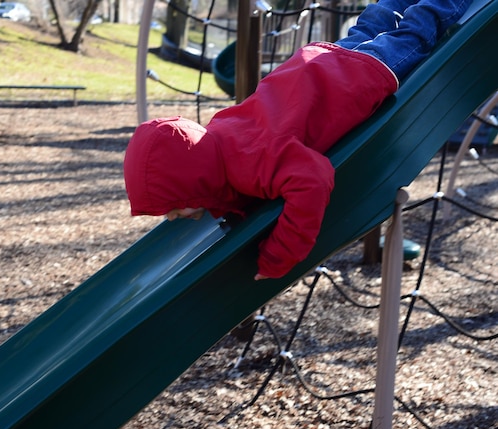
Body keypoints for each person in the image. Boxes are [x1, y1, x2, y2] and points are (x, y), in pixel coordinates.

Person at [123, 0, 473, 280]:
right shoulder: (221, 134)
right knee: (378, 18)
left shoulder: (250, 163)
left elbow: (313, 179)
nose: (171, 218)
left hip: (361, 75)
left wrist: (277, 256)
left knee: (419, 30)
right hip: (324, 61)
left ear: (195, 178)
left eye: (172, 207)